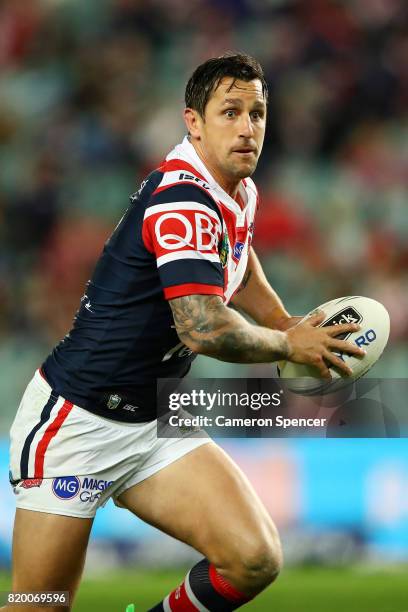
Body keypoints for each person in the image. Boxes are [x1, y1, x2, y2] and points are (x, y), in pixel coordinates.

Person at [6, 53, 365, 612]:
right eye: (230, 112)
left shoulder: (236, 192)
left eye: (258, 112)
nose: (248, 128)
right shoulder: (181, 199)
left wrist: (284, 321)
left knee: (253, 558)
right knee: (37, 606)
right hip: (76, 426)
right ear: (193, 122)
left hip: (150, 422)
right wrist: (289, 345)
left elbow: (239, 265)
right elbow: (201, 326)